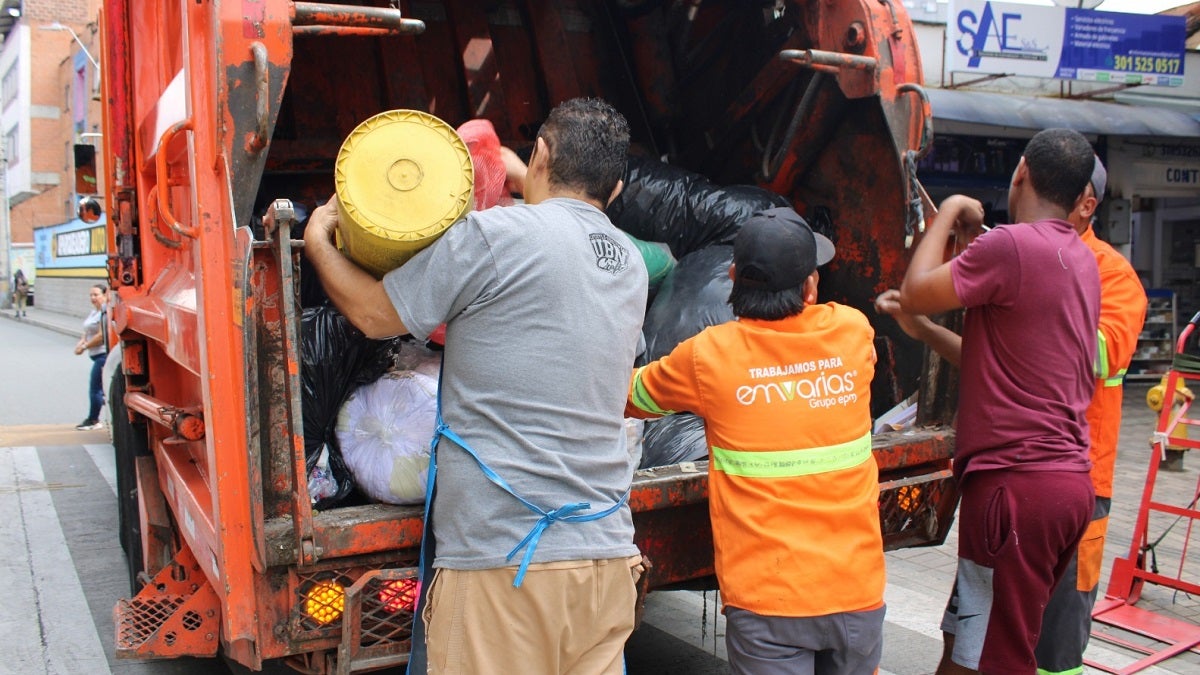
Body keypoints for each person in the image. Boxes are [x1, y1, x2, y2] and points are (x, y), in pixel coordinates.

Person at [303, 97, 648, 675]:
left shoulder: (493, 237)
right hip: (606, 555)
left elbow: (373, 314)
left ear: (539, 155)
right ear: (614, 192)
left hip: (505, 561)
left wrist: (317, 238)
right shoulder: (630, 263)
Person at [626, 207, 886, 675]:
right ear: (811, 285)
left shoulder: (710, 356)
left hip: (770, 604)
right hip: (857, 595)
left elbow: (632, 397)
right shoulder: (852, 333)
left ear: (731, 278)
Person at [894, 127, 1100, 675]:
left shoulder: (1010, 245)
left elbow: (917, 288)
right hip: (1062, 487)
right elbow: (996, 360)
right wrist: (922, 331)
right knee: (964, 644)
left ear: (1021, 173)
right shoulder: (1078, 260)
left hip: (1015, 489)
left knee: (997, 658)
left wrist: (952, 208)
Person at [1034, 157, 1147, 675]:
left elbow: (1100, 354)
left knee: (1059, 634)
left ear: (1086, 206)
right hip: (1019, 468)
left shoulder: (1113, 275)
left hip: (1082, 479)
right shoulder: (1025, 255)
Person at [74, 283, 110, 430]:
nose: (93, 298)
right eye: (91, 295)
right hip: (95, 355)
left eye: (96, 295)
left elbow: (101, 336)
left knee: (95, 389)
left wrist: (84, 347)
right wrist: (81, 342)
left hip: (103, 355)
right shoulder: (94, 312)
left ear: (105, 295)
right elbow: (87, 332)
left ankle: (93, 420)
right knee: (100, 389)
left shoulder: (105, 312)